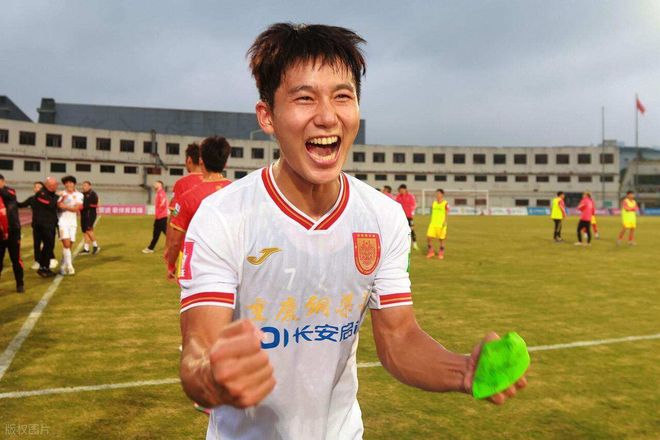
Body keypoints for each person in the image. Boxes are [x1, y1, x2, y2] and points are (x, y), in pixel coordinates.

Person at [178, 23, 525, 440]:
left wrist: (462, 371)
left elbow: (399, 339)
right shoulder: (224, 216)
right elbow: (198, 351)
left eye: (342, 96)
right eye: (305, 98)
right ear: (267, 116)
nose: (327, 116)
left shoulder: (382, 216)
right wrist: (211, 377)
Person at [166, 136, 231, 281]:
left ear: (201, 160)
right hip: (229, 265)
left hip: (196, 266)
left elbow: (175, 241)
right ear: (225, 162)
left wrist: (171, 264)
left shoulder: (187, 197)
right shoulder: (238, 192)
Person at [164, 142, 203, 264]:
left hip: (187, 248)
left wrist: (168, 247)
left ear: (189, 160)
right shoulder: (216, 183)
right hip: (212, 249)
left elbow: (174, 216)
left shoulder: (181, 184)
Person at [0, 175, 25, 292]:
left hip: (13, 230)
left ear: (3, 181)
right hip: (0, 232)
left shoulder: (10, 191)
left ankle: (20, 283)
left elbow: (7, 195)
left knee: (15, 259)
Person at [33, 177, 59, 277]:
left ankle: (45, 267)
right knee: (47, 246)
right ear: (49, 185)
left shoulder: (51, 194)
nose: (56, 186)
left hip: (49, 224)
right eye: (55, 184)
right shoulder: (41, 194)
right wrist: (59, 198)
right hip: (42, 225)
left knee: (49, 246)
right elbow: (51, 204)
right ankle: (42, 267)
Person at [57, 176, 83, 275]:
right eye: (66, 183)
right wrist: (61, 204)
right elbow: (58, 206)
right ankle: (70, 266)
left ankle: (63, 265)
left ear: (74, 184)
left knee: (68, 246)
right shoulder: (61, 194)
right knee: (66, 244)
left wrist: (65, 206)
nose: (69, 185)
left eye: (71, 182)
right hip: (62, 222)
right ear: (64, 184)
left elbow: (76, 209)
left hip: (73, 223)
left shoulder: (79, 195)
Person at [142, 180, 168, 253]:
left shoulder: (161, 193)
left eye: (156, 183)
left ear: (160, 185)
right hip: (159, 217)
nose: (155, 184)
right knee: (156, 234)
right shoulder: (159, 193)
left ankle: (177, 245)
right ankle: (150, 248)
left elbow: (163, 203)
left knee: (167, 233)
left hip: (161, 217)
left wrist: (160, 209)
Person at [426, 189, 449, 259]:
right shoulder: (434, 203)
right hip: (433, 223)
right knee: (429, 237)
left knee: (441, 239)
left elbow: (447, 213)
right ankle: (431, 252)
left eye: (439, 193)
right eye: (436, 193)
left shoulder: (445, 203)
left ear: (442, 194)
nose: (437, 195)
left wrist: (445, 222)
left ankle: (441, 253)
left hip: (441, 224)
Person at [79, 181, 100, 255]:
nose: (83, 187)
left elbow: (90, 204)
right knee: (85, 231)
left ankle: (96, 246)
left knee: (89, 230)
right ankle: (86, 249)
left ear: (89, 186)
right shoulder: (82, 194)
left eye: (85, 185)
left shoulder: (92, 194)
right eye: (83, 185)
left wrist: (78, 207)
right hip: (83, 214)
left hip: (90, 214)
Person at [395, 184, 418, 250]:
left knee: (411, 230)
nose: (401, 191)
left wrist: (412, 212)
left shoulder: (410, 196)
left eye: (402, 190)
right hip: (401, 217)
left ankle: (415, 244)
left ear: (405, 189)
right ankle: (402, 245)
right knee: (401, 231)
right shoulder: (398, 197)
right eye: (400, 190)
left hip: (409, 216)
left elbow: (414, 204)